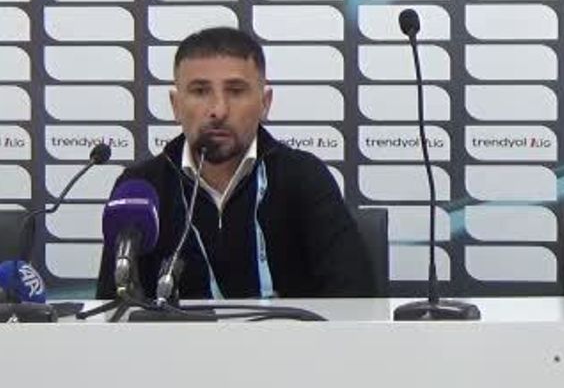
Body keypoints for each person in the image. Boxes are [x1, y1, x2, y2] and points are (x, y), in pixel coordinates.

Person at [96, 27, 375, 299]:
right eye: (200, 91)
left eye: (236, 91)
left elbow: (354, 295)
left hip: (290, 332)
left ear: (265, 102)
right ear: (176, 105)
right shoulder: (142, 186)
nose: (218, 110)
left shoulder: (303, 177)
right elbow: (113, 305)